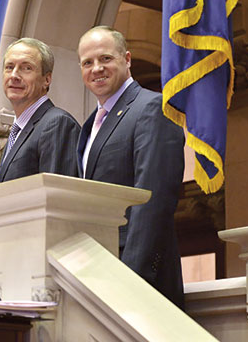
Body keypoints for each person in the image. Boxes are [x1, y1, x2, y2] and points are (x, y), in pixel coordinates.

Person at [76, 25, 185, 307]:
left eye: (106, 59)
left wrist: (130, 278)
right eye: (87, 62)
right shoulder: (90, 125)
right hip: (98, 269)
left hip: (137, 276)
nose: (96, 68)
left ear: (127, 59)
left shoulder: (152, 107)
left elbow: (153, 199)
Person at [0, 37, 81, 182]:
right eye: (9, 67)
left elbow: (56, 194)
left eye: (26, 68)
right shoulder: (18, 130)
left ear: (46, 80)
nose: (14, 76)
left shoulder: (57, 124)